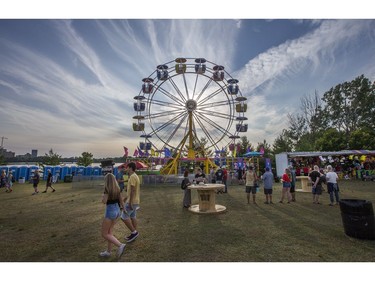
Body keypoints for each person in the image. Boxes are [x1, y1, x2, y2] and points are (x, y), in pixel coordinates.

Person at [99, 173, 126, 258]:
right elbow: (121, 200)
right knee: (109, 232)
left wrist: (103, 196)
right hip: (117, 210)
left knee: (104, 234)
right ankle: (108, 252)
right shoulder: (117, 188)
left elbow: (104, 201)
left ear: (106, 181)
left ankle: (120, 245)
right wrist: (124, 209)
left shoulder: (107, 189)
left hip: (110, 211)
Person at [120, 162, 141, 243]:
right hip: (135, 200)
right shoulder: (135, 176)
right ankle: (134, 233)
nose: (126, 169)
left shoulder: (132, 177)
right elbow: (132, 190)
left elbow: (132, 190)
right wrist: (126, 198)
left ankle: (134, 232)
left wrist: (130, 202)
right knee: (133, 216)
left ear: (130, 168)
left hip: (132, 201)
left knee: (123, 217)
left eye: (127, 167)